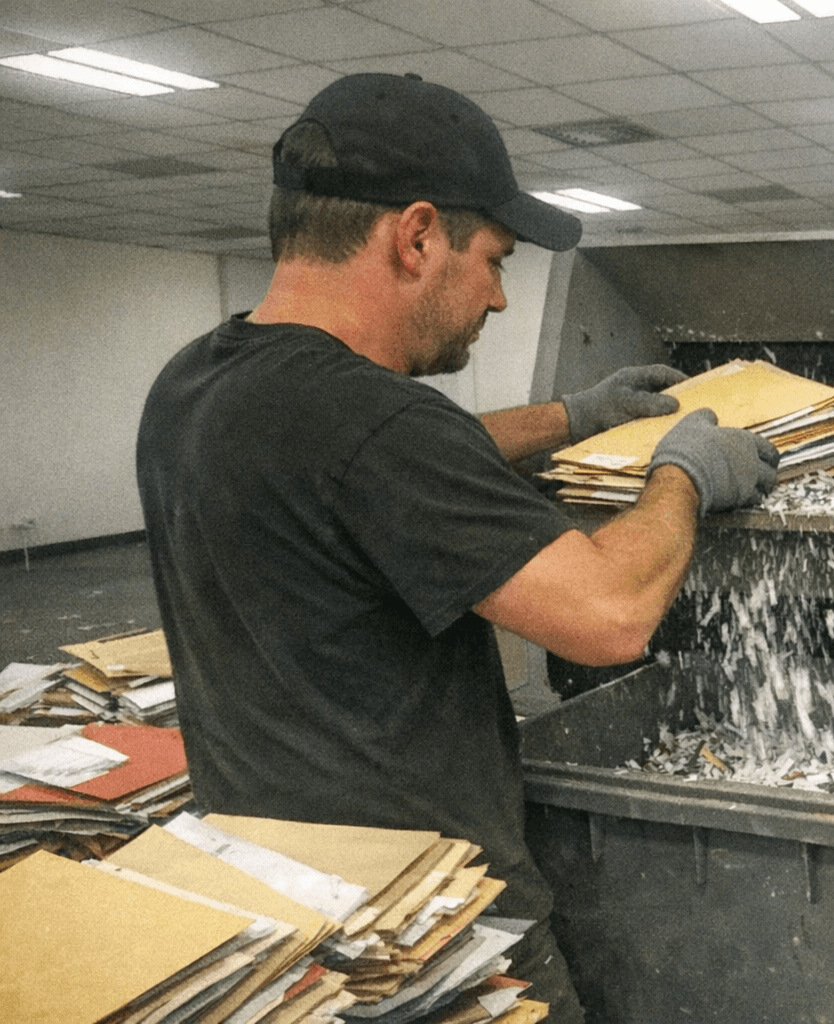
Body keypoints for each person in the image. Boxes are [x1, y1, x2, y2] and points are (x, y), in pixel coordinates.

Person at [135, 72, 779, 1023]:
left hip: (276, 901)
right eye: (496, 260)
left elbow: (365, 477)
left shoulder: (198, 380)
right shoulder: (376, 421)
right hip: (425, 924)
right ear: (418, 236)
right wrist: (684, 473)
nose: (501, 299)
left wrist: (573, 416)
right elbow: (608, 616)